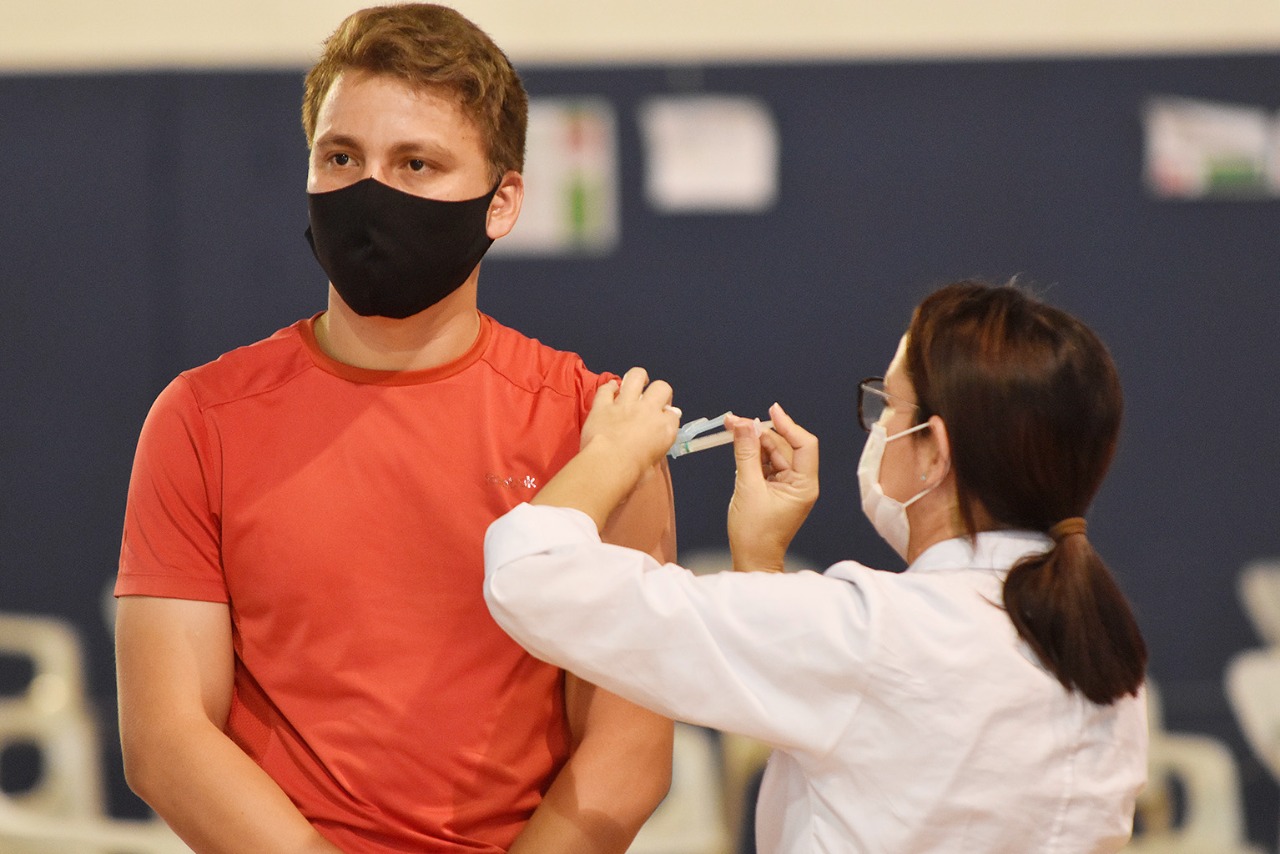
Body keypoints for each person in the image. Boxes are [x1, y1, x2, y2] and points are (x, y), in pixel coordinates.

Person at [114, 5, 675, 852]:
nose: (371, 192)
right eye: (341, 157)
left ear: (502, 201)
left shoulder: (596, 430)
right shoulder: (201, 419)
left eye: (417, 163)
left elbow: (627, 751)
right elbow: (167, 737)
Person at [484, 280, 1149, 853]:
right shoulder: (1102, 656)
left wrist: (613, 452)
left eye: (889, 406)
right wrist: (761, 560)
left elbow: (530, 572)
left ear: (934, 451)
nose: (877, 426)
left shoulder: (874, 632)